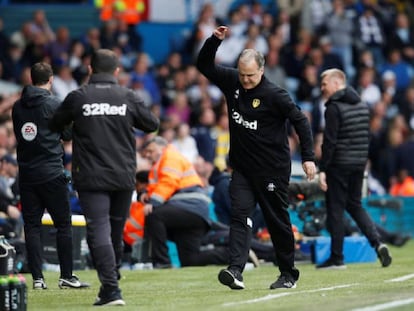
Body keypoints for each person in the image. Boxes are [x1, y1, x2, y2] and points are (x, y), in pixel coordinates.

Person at [196, 26, 316, 290]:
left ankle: (287, 274)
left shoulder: (276, 95)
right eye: (242, 74)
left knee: (277, 221)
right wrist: (214, 42)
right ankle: (236, 270)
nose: (246, 80)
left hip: (272, 170)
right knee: (239, 216)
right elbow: (203, 64)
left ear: (261, 71)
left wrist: (308, 157)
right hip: (242, 169)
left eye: (250, 75)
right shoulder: (233, 82)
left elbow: (301, 121)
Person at [49, 49, 159, 306]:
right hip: (122, 175)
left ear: (90, 70)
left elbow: (56, 124)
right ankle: (112, 279)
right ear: (117, 72)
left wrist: (73, 128)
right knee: (115, 230)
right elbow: (152, 124)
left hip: (91, 175)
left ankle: (111, 287)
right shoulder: (128, 96)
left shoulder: (78, 97)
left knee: (99, 229)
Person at [11, 62, 89, 290]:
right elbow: (67, 134)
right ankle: (66, 276)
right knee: (63, 225)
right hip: (52, 172)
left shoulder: (17, 106)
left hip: (26, 174)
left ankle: (37, 279)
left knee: (32, 226)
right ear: (51, 79)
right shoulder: (54, 104)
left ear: (31, 78)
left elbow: (21, 134)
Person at [317, 68, 392, 269]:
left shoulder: (333, 107)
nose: (322, 88)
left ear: (336, 83)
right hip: (358, 163)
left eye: (324, 84)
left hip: (339, 164)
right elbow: (365, 136)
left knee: (335, 209)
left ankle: (337, 258)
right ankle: (378, 243)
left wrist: (322, 169)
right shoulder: (361, 103)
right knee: (355, 205)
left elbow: (329, 142)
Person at [138, 136, 229, 268]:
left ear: (162, 147)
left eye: (151, 151)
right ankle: (232, 254)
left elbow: (169, 182)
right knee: (191, 260)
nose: (148, 155)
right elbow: (161, 186)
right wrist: (146, 195)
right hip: (192, 210)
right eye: (146, 152)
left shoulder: (170, 157)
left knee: (154, 216)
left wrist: (153, 202)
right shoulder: (163, 161)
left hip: (189, 205)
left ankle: (162, 262)